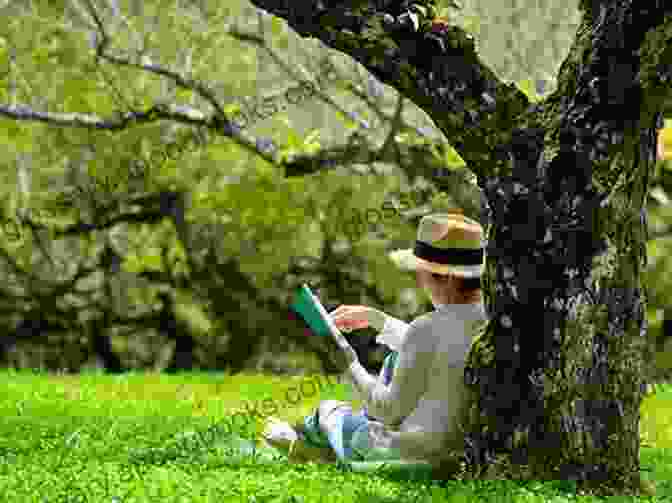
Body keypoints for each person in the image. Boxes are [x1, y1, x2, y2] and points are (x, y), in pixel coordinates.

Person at [262, 210, 489, 468]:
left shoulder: (426, 328)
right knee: (393, 366)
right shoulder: (494, 322)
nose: (419, 281)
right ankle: (314, 449)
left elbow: (388, 411)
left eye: (421, 273)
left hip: (408, 454)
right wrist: (378, 319)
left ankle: (309, 445)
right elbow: (441, 348)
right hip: (463, 452)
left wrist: (348, 363)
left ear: (446, 277)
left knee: (329, 411)